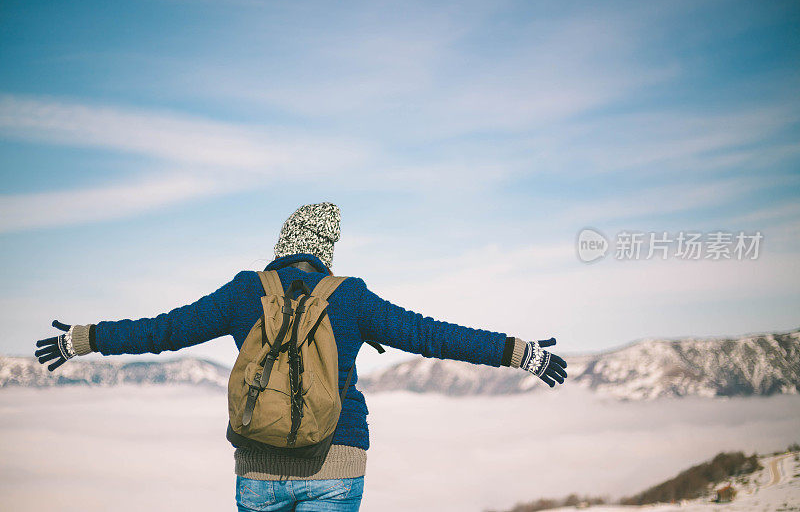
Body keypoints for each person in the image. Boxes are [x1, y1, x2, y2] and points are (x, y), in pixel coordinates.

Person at [35, 201, 568, 512]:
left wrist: (85, 338)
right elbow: (434, 336)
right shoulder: (350, 296)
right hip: (336, 461)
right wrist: (518, 353)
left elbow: (164, 331)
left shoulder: (245, 291)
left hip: (258, 462)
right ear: (325, 250)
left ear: (283, 243)